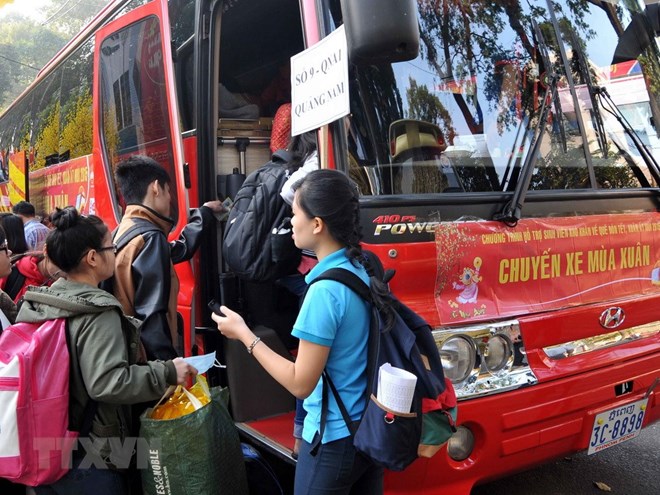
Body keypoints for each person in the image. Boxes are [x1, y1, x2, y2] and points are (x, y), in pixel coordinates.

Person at [213, 169, 383, 494]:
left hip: (333, 441)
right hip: (367, 429)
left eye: (294, 214)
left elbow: (301, 383)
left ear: (317, 224)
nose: (291, 222)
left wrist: (245, 335)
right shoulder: (362, 267)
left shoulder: (324, 291)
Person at [14, 207, 197, 495]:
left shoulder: (41, 300)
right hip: (93, 455)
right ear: (92, 258)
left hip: (48, 445)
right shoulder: (100, 312)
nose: (115, 252)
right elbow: (107, 383)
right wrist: (168, 372)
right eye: (111, 247)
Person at [109, 155, 224, 360]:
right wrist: (169, 368)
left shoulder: (124, 230)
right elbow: (151, 316)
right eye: (168, 190)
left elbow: (177, 250)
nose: (170, 198)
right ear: (155, 188)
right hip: (146, 360)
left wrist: (202, 213)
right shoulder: (150, 237)